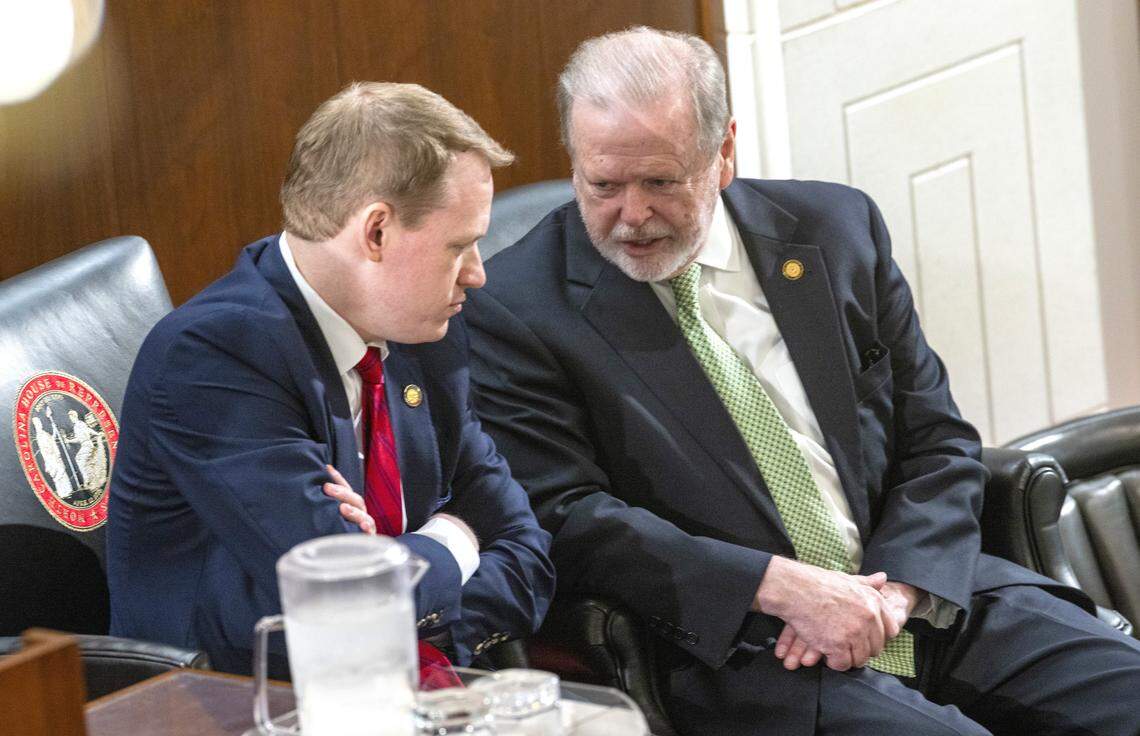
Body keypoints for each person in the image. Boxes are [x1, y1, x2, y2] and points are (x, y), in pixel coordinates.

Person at [463, 27, 1140, 736]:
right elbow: (568, 516)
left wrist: (897, 591)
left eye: (661, 182)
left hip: (926, 596)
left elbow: (937, 438)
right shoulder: (516, 307)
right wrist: (783, 588)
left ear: (723, 151)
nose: (631, 216)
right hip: (757, 652)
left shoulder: (835, 229)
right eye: (602, 184)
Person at [108, 82, 554, 676]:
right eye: (460, 246)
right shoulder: (215, 356)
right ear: (376, 232)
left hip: (404, 686)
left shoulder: (425, 336)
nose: (477, 275)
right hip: (231, 704)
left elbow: (527, 553)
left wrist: (402, 582)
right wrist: (456, 542)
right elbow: (346, 598)